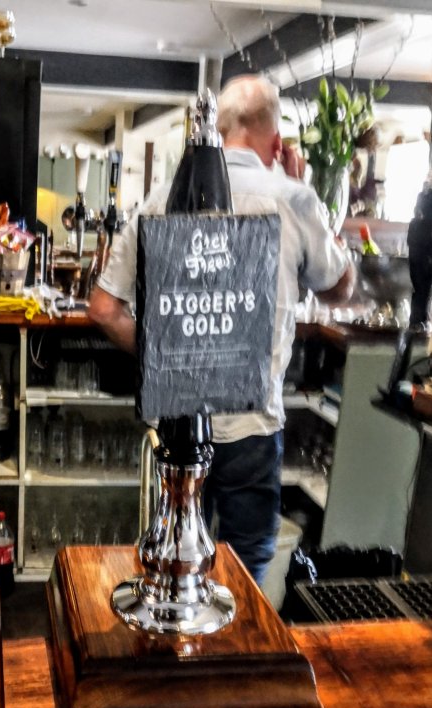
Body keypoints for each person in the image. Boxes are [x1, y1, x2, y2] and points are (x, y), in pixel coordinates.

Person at [89, 75, 355, 585]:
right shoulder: (294, 199)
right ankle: (236, 635)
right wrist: (310, 196)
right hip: (252, 422)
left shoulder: (159, 198)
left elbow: (103, 309)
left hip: (175, 420)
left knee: (172, 561)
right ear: (276, 143)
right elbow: (338, 289)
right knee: (246, 569)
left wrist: (164, 359)